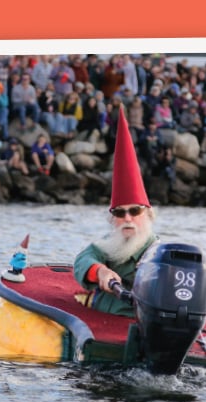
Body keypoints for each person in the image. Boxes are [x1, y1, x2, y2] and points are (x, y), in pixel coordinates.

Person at [74, 110, 159, 317]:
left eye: (134, 211)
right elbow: (82, 261)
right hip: (103, 320)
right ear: (112, 219)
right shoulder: (107, 246)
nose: (127, 218)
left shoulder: (161, 252)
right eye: (120, 212)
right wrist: (100, 272)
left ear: (148, 214)